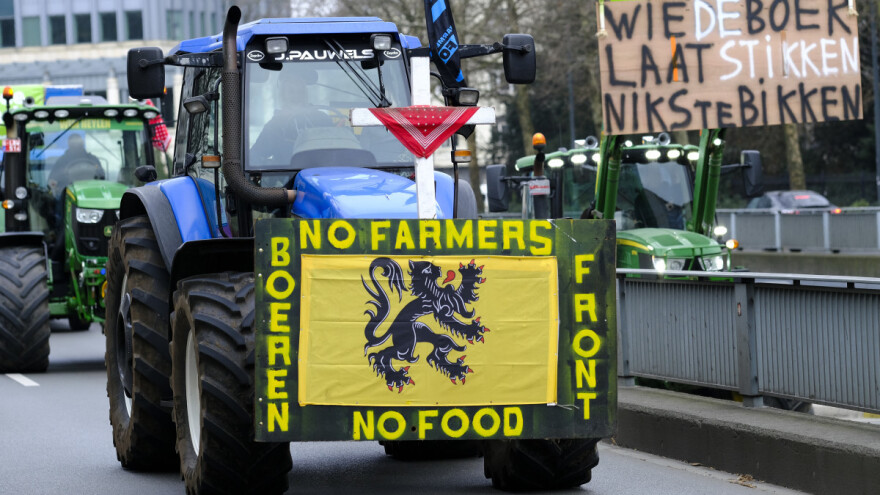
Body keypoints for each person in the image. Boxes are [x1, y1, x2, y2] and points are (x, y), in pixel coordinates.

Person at [250, 68, 333, 165]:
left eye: (300, 91)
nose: (296, 96)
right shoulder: (275, 126)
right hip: (289, 176)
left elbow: (336, 149)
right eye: (291, 92)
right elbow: (254, 156)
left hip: (321, 172)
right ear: (283, 96)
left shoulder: (321, 119)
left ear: (305, 94)